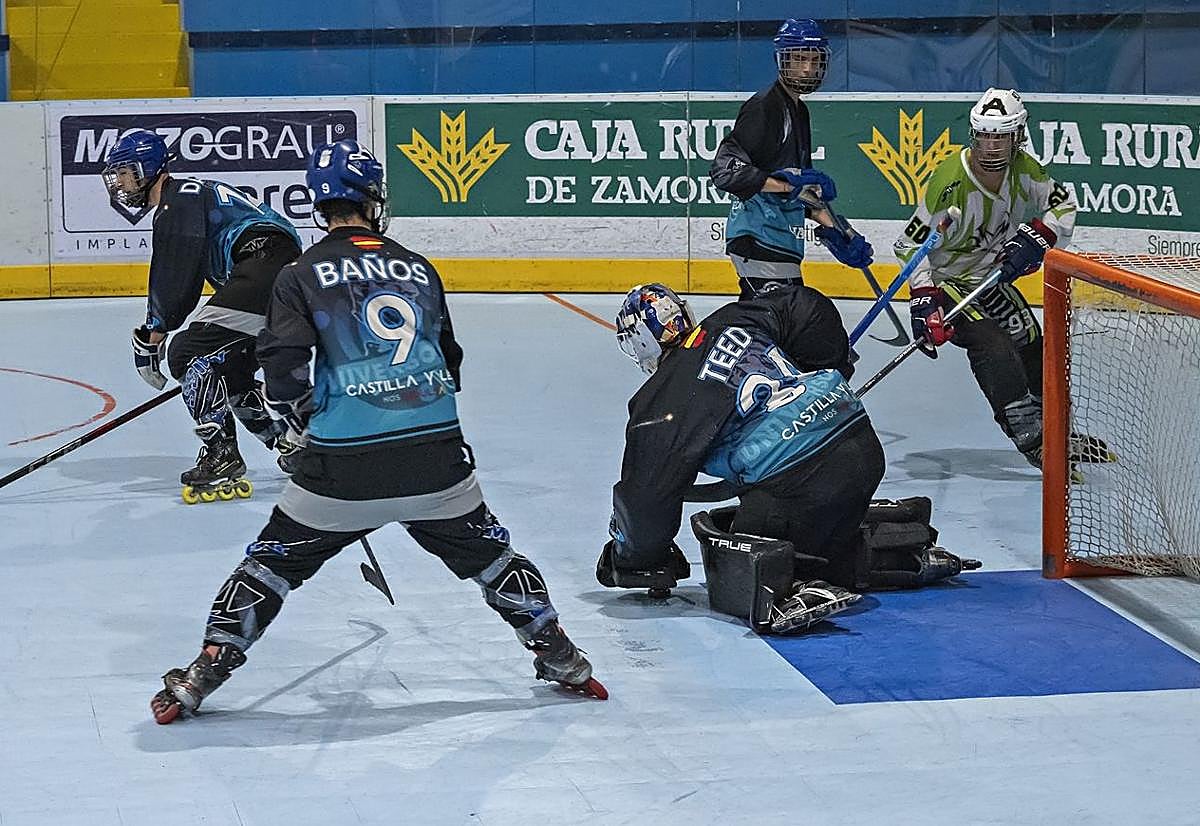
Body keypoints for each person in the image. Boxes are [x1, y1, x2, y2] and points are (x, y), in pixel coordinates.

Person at [150, 140, 605, 724]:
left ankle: (203, 674)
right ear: (373, 201)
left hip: (343, 467)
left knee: (270, 567)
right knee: (493, 557)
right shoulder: (419, 267)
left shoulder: (298, 274)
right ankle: (560, 654)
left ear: (320, 206)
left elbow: (284, 373)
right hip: (438, 459)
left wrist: (304, 425)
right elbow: (450, 360)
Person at [597, 282, 887, 631]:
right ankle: (895, 549)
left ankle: (789, 587)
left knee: (738, 546)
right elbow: (808, 305)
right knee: (824, 521)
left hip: (798, 484)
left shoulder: (659, 403)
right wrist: (830, 363)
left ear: (640, 342)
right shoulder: (736, 317)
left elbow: (646, 498)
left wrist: (635, 557)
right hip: (862, 444)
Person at [894, 88, 1106, 469]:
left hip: (989, 277)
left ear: (1018, 136)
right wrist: (923, 300)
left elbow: (1064, 205)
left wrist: (1037, 236)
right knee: (993, 343)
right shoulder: (949, 180)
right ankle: (1031, 438)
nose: (991, 146)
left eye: (1001, 137)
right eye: (985, 135)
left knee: (1031, 343)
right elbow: (908, 245)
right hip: (947, 282)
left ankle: (1056, 430)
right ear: (974, 135)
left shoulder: (1026, 170)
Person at [101, 129, 304, 499]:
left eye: (126, 171)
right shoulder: (193, 197)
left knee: (186, 353)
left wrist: (155, 331)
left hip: (264, 265)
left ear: (148, 168)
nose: (121, 182)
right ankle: (292, 445)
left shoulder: (177, 200)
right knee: (230, 373)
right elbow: (188, 274)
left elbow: (175, 274)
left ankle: (221, 453)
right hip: (282, 273)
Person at [710, 18, 873, 298]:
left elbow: (800, 191)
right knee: (782, 325)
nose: (807, 68)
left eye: (814, 59)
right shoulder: (763, 108)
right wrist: (787, 185)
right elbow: (726, 172)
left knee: (785, 326)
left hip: (782, 242)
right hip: (758, 238)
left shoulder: (799, 111)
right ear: (781, 59)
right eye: (798, 59)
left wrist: (839, 231)